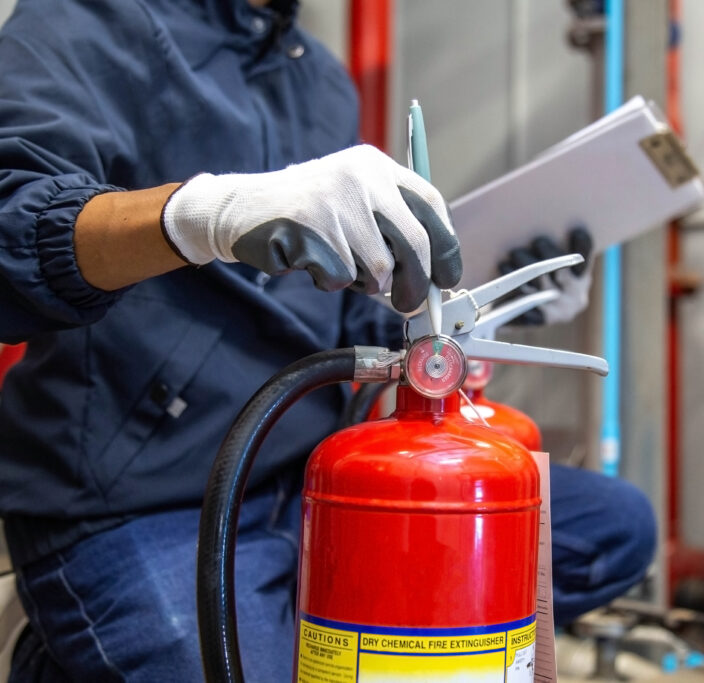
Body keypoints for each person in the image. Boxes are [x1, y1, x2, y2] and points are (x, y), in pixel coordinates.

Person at [0, 0, 657, 680]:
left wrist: (487, 304)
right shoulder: (91, 17)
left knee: (610, 531)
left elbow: (334, 323)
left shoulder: (317, 80)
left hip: (308, 475)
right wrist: (200, 217)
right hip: (139, 501)